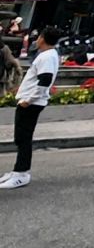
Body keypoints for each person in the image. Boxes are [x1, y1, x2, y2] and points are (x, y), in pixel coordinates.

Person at [1, 26, 60, 189]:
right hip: (31, 101)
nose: (36, 40)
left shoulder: (47, 57)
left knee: (23, 138)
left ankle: (22, 173)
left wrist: (29, 99)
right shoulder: (48, 55)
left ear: (43, 38)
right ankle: (17, 171)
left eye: (39, 36)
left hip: (31, 103)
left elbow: (45, 80)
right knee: (21, 137)